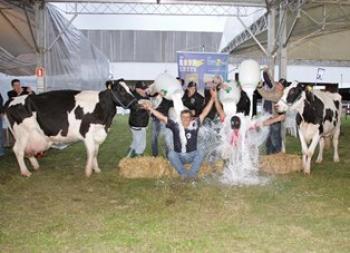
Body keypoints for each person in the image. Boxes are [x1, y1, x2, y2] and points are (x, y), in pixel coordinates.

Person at [143, 88, 217, 179]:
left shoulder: (195, 124)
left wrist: (213, 99)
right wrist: (150, 108)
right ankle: (183, 174)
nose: (185, 119)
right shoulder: (175, 126)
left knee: (201, 152)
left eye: (187, 117)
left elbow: (204, 112)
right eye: (183, 117)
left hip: (192, 155)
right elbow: (162, 117)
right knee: (171, 154)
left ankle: (192, 174)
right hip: (179, 156)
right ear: (180, 118)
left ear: (191, 118)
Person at [256, 70, 289, 154]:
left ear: (283, 88)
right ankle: (269, 156)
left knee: (275, 140)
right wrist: (265, 72)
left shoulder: (279, 95)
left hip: (275, 120)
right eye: (278, 84)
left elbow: (266, 95)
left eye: (281, 85)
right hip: (268, 118)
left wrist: (260, 87)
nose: (278, 86)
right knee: (268, 140)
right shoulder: (276, 88)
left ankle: (278, 155)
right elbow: (270, 80)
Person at [127, 81, 150, 158]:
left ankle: (127, 158)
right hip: (137, 123)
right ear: (137, 89)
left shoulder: (145, 95)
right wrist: (145, 106)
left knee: (135, 142)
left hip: (142, 122)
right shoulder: (133, 97)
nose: (144, 90)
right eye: (142, 89)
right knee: (141, 143)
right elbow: (134, 107)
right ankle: (138, 159)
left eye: (145, 88)